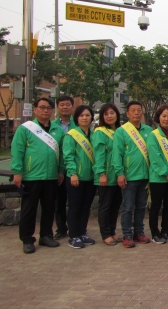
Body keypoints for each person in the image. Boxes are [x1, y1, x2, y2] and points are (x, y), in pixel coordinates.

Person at [11, 98, 65, 254]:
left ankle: (46, 235)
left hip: (51, 177)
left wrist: (60, 170)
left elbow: (61, 153)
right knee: (29, 209)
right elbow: (17, 151)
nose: (45, 110)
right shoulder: (26, 129)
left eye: (48, 108)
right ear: (35, 110)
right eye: (42, 107)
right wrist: (17, 172)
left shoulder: (57, 130)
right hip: (31, 176)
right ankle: (27, 239)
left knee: (49, 208)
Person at [112, 101, 153, 248]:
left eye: (139, 110)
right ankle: (127, 234)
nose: (136, 113)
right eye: (133, 110)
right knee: (128, 207)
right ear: (127, 113)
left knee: (141, 206)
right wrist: (120, 173)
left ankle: (139, 232)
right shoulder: (122, 131)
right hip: (129, 176)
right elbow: (117, 154)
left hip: (145, 176)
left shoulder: (148, 130)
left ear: (142, 112)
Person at [63, 105, 96, 249]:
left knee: (85, 207)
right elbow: (68, 156)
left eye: (87, 115)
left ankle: (82, 232)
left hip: (90, 178)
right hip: (76, 178)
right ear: (77, 118)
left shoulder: (94, 134)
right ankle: (73, 236)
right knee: (75, 207)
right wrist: (73, 173)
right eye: (82, 115)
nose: (85, 118)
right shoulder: (71, 135)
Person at [145, 105, 168, 244]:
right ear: (158, 117)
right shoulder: (154, 135)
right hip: (158, 178)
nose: (166, 119)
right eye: (163, 116)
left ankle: (165, 230)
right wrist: (166, 173)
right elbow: (155, 157)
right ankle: (155, 233)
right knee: (156, 206)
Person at [92, 103, 122, 246]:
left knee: (115, 206)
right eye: (106, 114)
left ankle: (112, 231)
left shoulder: (120, 131)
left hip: (119, 176)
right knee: (105, 206)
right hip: (106, 176)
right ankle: (105, 234)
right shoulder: (100, 132)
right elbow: (98, 155)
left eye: (112, 113)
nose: (109, 116)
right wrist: (101, 173)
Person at [53, 95, 76, 240]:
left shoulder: (79, 125)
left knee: (76, 202)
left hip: (75, 171)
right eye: (62, 105)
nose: (65, 107)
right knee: (59, 201)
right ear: (57, 107)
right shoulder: (52, 126)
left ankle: (78, 228)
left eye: (68, 104)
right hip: (58, 171)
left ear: (72, 107)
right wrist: (60, 170)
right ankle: (61, 229)